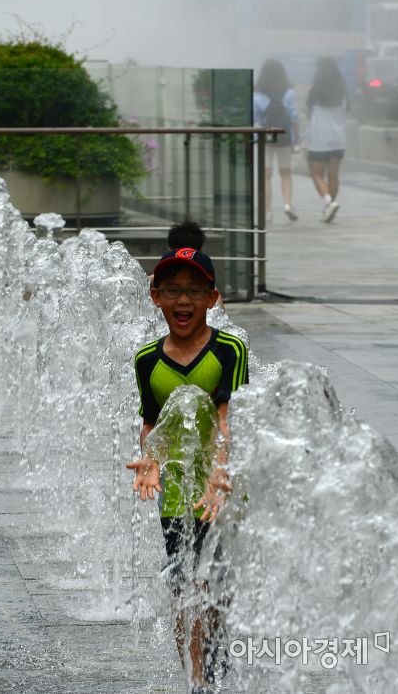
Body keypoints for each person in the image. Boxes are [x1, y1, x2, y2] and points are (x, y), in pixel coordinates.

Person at [126, 247, 248, 694]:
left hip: (220, 486)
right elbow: (151, 422)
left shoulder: (229, 349)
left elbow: (228, 419)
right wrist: (150, 460)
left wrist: (218, 472)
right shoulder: (146, 359)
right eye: (173, 290)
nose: (183, 300)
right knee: (182, 588)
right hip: (175, 492)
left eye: (195, 291)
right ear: (155, 296)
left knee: (214, 588)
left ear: (212, 298)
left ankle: (214, 663)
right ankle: (195, 681)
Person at [254, 59, 301, 223]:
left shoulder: (257, 95)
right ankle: (287, 205)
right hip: (284, 138)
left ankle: (268, 211)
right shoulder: (288, 93)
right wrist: (297, 139)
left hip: (265, 139)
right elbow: (294, 118)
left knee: (266, 176)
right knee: (285, 173)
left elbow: (256, 119)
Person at [306, 57, 349, 223]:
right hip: (338, 138)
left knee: (316, 174)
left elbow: (309, 114)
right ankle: (329, 208)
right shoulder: (342, 91)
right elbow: (345, 112)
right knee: (333, 175)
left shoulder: (315, 90)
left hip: (319, 139)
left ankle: (329, 203)